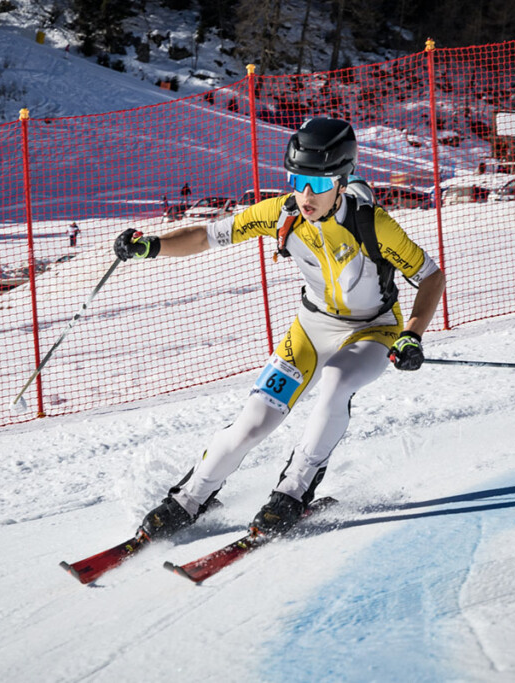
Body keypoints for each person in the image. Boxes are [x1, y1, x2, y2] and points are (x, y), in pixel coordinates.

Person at [113, 117, 446, 540]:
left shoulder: (372, 224)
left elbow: (431, 277)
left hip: (374, 330)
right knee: (254, 421)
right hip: (312, 328)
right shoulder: (281, 213)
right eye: (298, 181)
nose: (306, 195)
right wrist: (152, 246)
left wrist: (412, 334)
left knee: (336, 381)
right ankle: (191, 497)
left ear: (342, 182)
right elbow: (205, 236)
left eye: (319, 184)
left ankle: (294, 490)